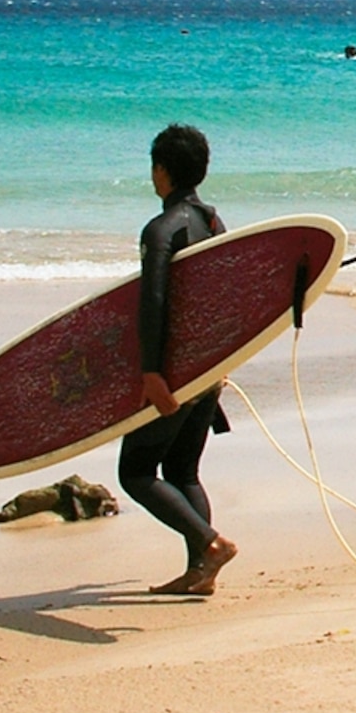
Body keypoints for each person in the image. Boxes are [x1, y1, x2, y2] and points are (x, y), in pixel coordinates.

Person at [120, 122, 238, 596]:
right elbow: (231, 299)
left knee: (136, 472)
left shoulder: (162, 228)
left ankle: (209, 544)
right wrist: (224, 364)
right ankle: (200, 572)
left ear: (162, 170)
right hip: (208, 368)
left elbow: (154, 303)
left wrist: (151, 373)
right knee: (183, 471)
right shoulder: (215, 224)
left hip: (174, 373)